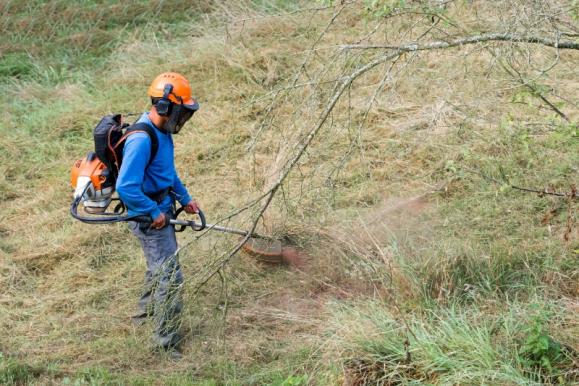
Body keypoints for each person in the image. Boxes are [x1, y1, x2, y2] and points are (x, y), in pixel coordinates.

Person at [116, 72, 200, 356]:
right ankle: (165, 343)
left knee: (159, 267)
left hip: (162, 207)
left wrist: (185, 198)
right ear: (164, 106)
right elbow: (126, 186)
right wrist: (152, 212)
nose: (183, 119)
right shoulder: (141, 139)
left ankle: (144, 315)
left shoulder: (162, 132)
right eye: (181, 112)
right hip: (149, 216)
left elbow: (167, 172)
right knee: (171, 277)